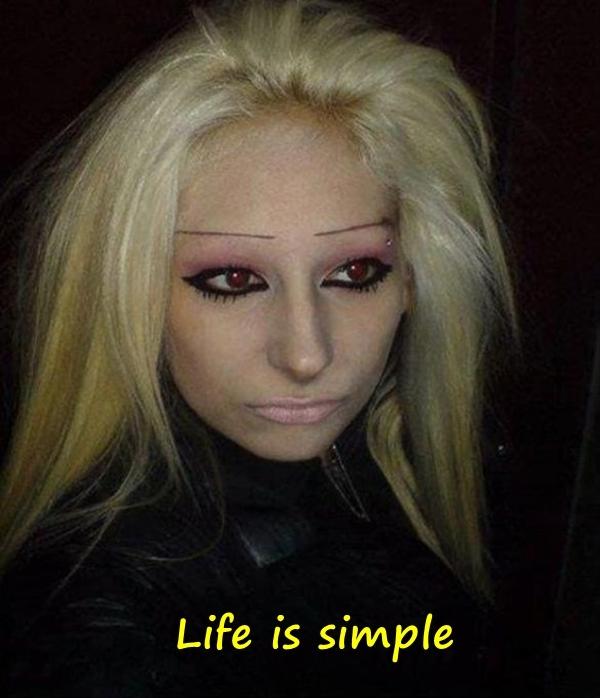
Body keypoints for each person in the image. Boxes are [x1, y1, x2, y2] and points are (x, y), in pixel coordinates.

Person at [0, 0, 518, 695]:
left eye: (354, 273)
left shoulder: (421, 476)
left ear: (415, 280)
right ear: (127, 290)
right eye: (233, 281)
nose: (306, 355)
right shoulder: (97, 627)